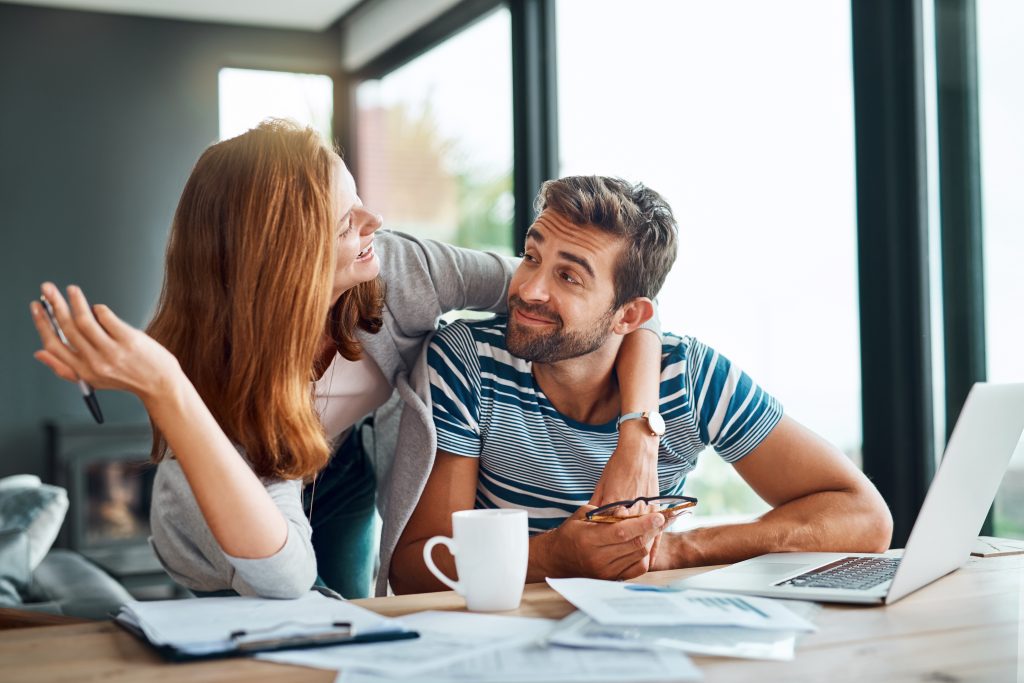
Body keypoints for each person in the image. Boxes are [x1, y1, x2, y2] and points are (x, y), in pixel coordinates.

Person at [29, 121, 665, 599]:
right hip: (228, 519)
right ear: (288, 255)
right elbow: (281, 577)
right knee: (277, 622)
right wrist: (168, 387)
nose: (375, 219)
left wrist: (637, 435)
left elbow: (616, 311)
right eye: (346, 221)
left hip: (344, 462)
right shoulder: (226, 384)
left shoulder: (400, 269)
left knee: (350, 614)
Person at [390, 175, 893, 593]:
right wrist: (553, 555)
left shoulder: (687, 376)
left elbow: (864, 517)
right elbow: (415, 569)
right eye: (532, 255)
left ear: (629, 315)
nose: (527, 289)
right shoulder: (467, 361)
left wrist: (675, 549)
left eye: (569, 277)